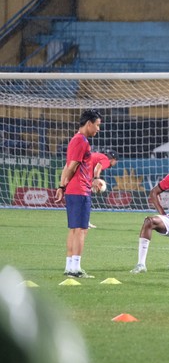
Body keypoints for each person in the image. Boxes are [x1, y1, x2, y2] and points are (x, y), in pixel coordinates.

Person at [55, 109, 103, 278]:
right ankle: (75, 268)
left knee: (74, 229)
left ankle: (70, 267)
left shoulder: (75, 140)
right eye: (97, 125)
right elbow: (73, 166)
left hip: (74, 190)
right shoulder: (82, 141)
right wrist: (63, 185)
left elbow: (67, 166)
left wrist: (62, 187)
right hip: (80, 191)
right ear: (89, 123)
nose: (98, 129)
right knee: (82, 230)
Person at [87, 149, 119, 229]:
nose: (115, 164)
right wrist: (96, 179)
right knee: (84, 200)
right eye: (116, 161)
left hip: (82, 169)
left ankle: (85, 222)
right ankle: (83, 223)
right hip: (82, 172)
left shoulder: (100, 156)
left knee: (86, 199)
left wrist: (93, 181)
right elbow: (97, 168)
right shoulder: (106, 160)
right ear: (113, 160)